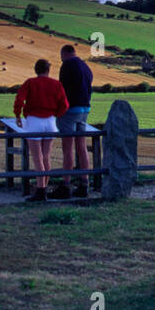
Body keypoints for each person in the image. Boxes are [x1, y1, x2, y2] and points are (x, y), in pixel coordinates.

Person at [14, 58, 68, 201]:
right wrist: (56, 114)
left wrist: (18, 115)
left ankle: (40, 190)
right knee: (46, 156)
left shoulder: (30, 83)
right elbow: (65, 104)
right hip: (50, 121)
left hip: (34, 121)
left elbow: (19, 99)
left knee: (37, 158)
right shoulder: (56, 84)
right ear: (48, 70)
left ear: (36, 69)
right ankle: (44, 186)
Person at [54, 43, 94, 199]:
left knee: (68, 148)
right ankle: (85, 184)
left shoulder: (67, 65)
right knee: (82, 147)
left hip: (70, 110)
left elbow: (61, 90)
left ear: (64, 54)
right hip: (85, 109)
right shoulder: (85, 66)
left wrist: (59, 110)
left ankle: (66, 185)